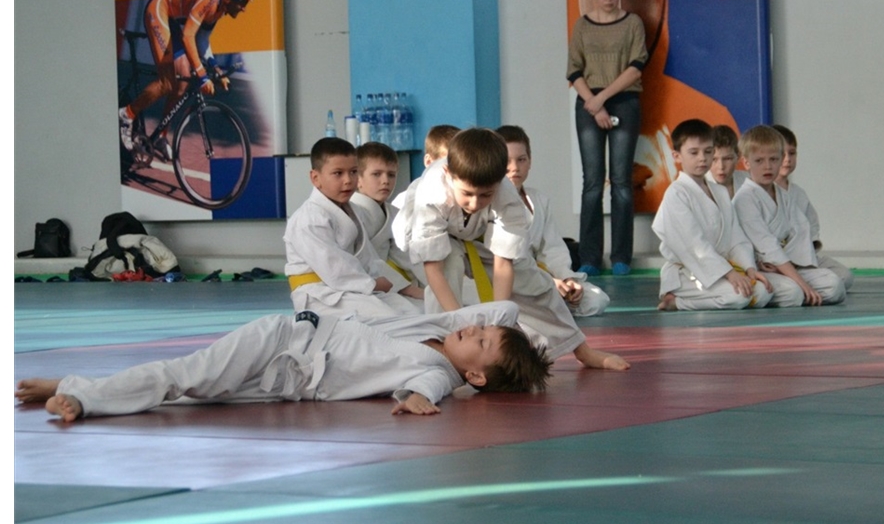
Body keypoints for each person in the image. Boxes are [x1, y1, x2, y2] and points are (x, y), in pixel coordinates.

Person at [14, 302, 553, 421]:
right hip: (281, 339)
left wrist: (416, 400)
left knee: (187, 391)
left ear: (474, 375)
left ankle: (74, 384)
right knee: (183, 376)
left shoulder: (436, 372)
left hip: (286, 380)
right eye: (480, 328)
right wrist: (524, 342)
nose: (473, 329)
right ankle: (81, 396)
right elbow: (502, 309)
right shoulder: (435, 332)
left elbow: (427, 389)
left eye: (481, 342)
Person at [394, 128, 629, 370]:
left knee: (537, 283)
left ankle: (582, 350)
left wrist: (499, 324)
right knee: (448, 272)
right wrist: (461, 323)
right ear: (448, 174)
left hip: (476, 233)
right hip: (436, 239)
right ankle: (443, 355)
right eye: (467, 194)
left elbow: (504, 262)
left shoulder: (506, 194)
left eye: (485, 195)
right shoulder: (431, 194)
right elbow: (434, 269)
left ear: (500, 181)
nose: (475, 203)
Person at [119, 0, 255, 157]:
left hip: (173, 19)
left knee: (182, 83)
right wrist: (202, 75)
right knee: (167, 82)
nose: (243, 9)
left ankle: (160, 136)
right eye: (242, 2)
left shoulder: (219, 8)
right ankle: (127, 114)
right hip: (159, 10)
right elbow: (188, 35)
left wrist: (215, 69)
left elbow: (202, 41)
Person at [567, 0, 649, 277]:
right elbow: (573, 70)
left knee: (622, 181)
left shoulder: (632, 23)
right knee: (592, 182)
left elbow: (637, 65)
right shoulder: (582, 26)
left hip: (623, 100)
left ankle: (621, 258)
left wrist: (602, 99)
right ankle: (589, 257)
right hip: (589, 103)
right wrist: (594, 103)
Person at [284, 137, 419, 318]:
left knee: (414, 311)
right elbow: (333, 267)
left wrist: (389, 284)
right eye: (338, 173)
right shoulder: (309, 219)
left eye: (353, 172)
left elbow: (368, 258)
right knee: (389, 317)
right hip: (321, 294)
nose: (348, 180)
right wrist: (372, 284)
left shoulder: (352, 210)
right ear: (315, 178)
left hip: (353, 288)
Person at [651, 119, 774, 311]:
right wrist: (729, 273)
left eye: (708, 151)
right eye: (694, 153)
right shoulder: (676, 194)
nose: (702, 158)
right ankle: (677, 301)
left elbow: (736, 238)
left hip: (719, 267)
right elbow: (694, 246)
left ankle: (715, 288)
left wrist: (749, 269)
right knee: (738, 297)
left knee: (763, 292)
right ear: (676, 156)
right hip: (688, 271)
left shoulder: (719, 192)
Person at [497, 124, 610, 317]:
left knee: (597, 299)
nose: (515, 168)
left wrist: (566, 279)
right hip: (512, 280)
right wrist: (546, 281)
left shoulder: (539, 200)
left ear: (530, 161)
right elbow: (507, 262)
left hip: (542, 278)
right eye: (506, 161)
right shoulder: (492, 201)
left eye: (521, 159)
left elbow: (553, 249)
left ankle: (546, 306)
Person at [733, 125, 846, 306]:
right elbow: (767, 245)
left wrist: (791, 267)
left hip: (787, 265)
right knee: (793, 292)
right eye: (759, 161)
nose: (768, 166)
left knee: (834, 285)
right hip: (759, 267)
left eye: (773, 159)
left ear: (781, 159)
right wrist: (803, 284)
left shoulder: (783, 195)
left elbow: (800, 232)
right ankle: (797, 290)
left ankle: (798, 288)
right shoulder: (744, 199)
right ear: (746, 163)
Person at [773, 124, 854, 291]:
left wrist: (804, 253)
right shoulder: (761, 192)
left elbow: (812, 228)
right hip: (776, 260)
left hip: (803, 258)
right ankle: (798, 283)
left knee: (844, 276)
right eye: (782, 154)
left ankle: (802, 281)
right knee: (831, 285)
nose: (787, 159)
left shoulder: (799, 193)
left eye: (792, 153)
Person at [349, 142, 425, 291]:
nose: (385, 181)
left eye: (391, 174)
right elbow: (365, 260)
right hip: (357, 284)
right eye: (376, 174)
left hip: (389, 284)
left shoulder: (395, 214)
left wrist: (436, 283)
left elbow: (409, 258)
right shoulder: (350, 213)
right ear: (358, 179)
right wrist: (407, 289)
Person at [391, 124, 460, 211]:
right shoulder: (405, 201)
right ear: (429, 162)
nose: (457, 170)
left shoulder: (467, 196)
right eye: (449, 163)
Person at [705, 124, 748, 199]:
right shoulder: (697, 187)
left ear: (738, 156)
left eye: (727, 159)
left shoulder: (749, 180)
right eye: (714, 159)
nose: (721, 166)